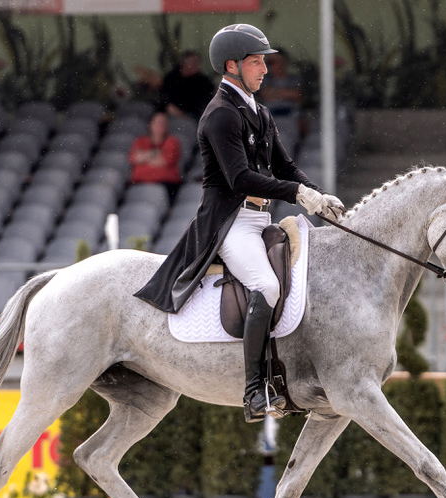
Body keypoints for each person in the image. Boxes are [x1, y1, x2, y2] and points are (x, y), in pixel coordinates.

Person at [134, 23, 344, 423]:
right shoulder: (219, 115)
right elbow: (240, 178)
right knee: (265, 285)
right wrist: (298, 195)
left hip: (260, 218)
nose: (265, 69)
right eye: (256, 61)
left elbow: (285, 165)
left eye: (264, 61)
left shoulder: (259, 112)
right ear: (232, 66)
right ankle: (254, 390)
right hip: (229, 222)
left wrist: (318, 194)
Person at [128, 111, 182, 196]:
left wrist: (144, 158)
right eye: (157, 122)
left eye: (163, 122)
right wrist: (156, 153)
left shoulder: (172, 141)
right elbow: (135, 159)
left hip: (165, 184)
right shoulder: (140, 141)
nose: (160, 125)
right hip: (139, 182)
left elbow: (165, 161)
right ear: (150, 124)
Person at [161, 50, 216, 121]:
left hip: (196, 116)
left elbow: (211, 94)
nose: (197, 65)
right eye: (194, 62)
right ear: (185, 63)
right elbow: (164, 98)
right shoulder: (171, 78)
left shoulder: (203, 80)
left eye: (198, 63)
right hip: (174, 116)